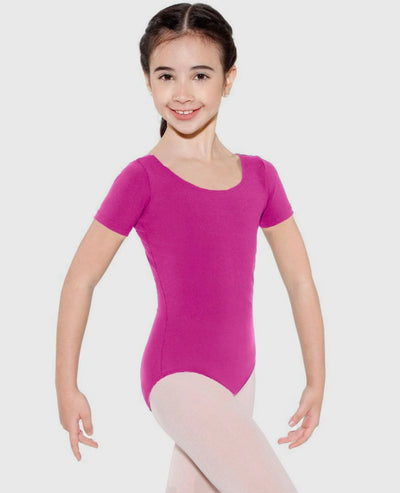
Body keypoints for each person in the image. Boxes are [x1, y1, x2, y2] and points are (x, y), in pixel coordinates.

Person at [55, 3, 325, 492]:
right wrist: (66, 386)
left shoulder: (261, 176)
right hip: (177, 376)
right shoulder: (142, 178)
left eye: (200, 75)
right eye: (166, 76)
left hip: (242, 376)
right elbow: (80, 278)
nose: (182, 93)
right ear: (147, 81)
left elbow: (300, 280)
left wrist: (316, 379)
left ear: (228, 79)